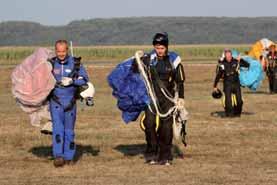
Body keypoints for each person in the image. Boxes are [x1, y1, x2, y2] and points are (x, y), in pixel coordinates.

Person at [140, 32, 186, 166]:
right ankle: (152, 154)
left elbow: (180, 81)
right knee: (149, 124)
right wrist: (138, 58)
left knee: (166, 128)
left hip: (168, 99)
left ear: (166, 47)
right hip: (152, 98)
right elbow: (136, 72)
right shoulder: (149, 59)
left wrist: (181, 98)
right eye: (157, 48)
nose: (159, 51)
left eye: (162, 48)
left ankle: (165, 156)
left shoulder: (174, 59)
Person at [49, 40, 89, 167]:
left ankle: (69, 157)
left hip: (71, 102)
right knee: (58, 129)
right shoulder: (50, 64)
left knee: (69, 131)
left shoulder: (76, 64)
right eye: (58, 51)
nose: (61, 54)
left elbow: (84, 80)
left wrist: (72, 81)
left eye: (63, 51)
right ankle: (58, 156)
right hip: (55, 102)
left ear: (67, 50)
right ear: (55, 50)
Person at [213, 49, 249, 117]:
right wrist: (215, 86)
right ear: (225, 57)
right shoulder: (222, 64)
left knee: (239, 101)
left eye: (229, 56)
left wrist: (241, 60)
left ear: (231, 55)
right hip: (227, 84)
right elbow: (218, 75)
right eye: (227, 57)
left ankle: (237, 113)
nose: (228, 58)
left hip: (236, 84)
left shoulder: (236, 61)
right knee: (228, 101)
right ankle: (229, 114)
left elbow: (247, 65)